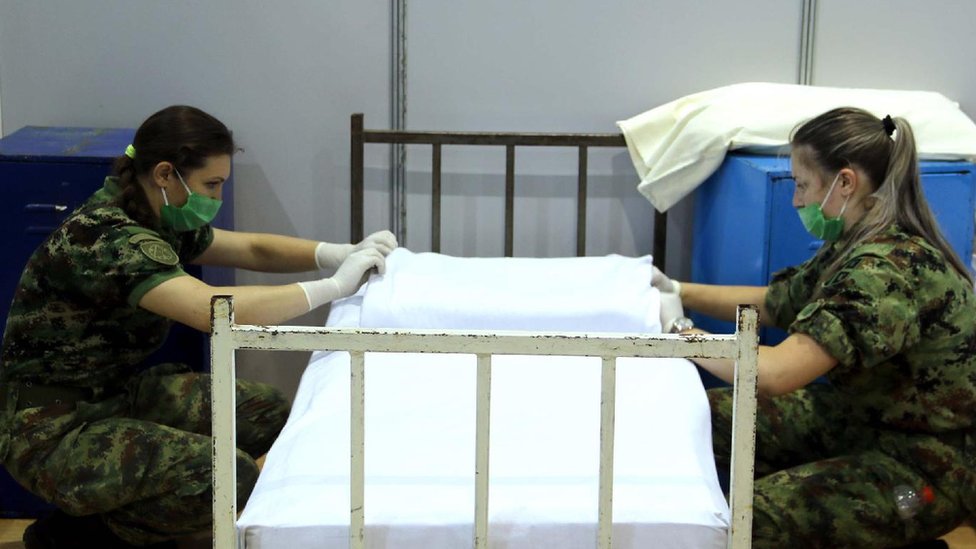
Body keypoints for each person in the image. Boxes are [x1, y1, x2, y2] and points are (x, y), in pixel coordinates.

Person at [0, 105, 397, 548]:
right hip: (50, 426)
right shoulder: (110, 237)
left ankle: (110, 508)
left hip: (111, 395)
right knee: (227, 476)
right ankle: (79, 534)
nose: (217, 197)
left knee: (265, 410)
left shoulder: (153, 213)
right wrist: (333, 287)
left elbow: (251, 249)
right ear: (165, 174)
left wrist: (335, 252)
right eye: (211, 184)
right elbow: (210, 309)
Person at [653, 107, 976, 548]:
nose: (796, 200)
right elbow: (778, 301)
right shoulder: (856, 242)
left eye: (803, 184)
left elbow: (775, 373)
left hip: (927, 463)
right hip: (861, 417)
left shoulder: (885, 271)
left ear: (845, 182)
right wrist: (677, 289)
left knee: (750, 521)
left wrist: (681, 332)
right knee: (692, 416)